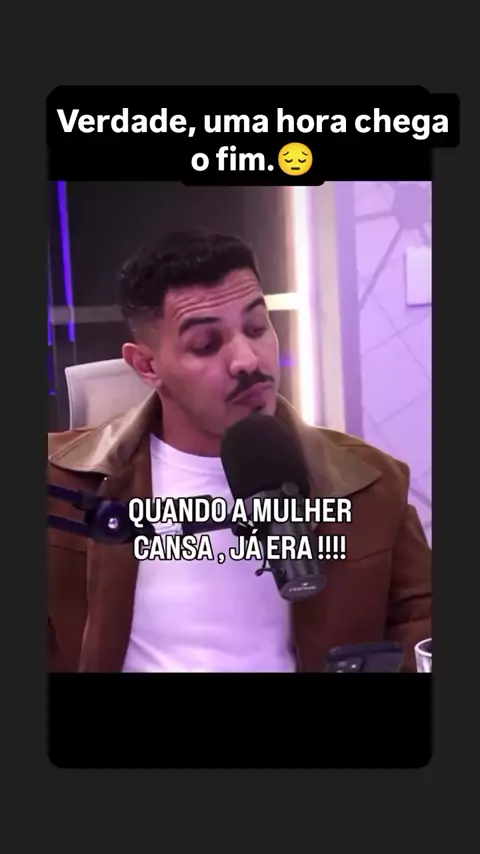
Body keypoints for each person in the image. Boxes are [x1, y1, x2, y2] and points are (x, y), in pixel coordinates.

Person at [47, 229, 431, 673]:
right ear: (147, 365)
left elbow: (423, 632)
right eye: (207, 345)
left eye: (256, 327)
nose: (248, 359)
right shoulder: (60, 487)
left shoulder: (372, 484)